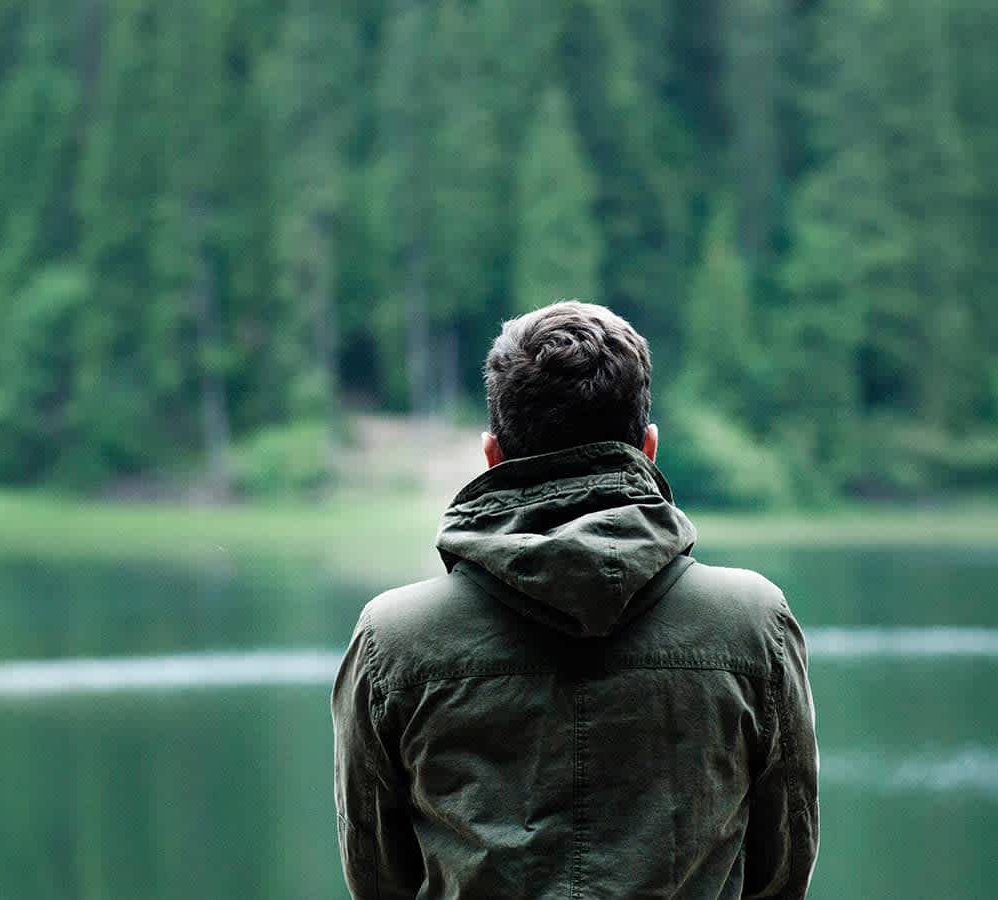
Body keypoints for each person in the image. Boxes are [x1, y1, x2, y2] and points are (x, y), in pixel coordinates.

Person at [333, 301, 819, 898]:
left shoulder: (395, 640)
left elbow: (379, 878)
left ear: (492, 456)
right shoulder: (753, 624)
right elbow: (782, 872)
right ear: (648, 447)